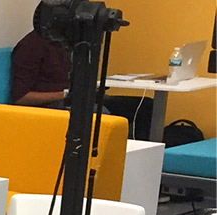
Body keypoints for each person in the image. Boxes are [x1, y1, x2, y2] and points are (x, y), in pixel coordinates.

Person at [11, 5, 150, 138]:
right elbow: (22, 98)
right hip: (51, 105)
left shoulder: (69, 43)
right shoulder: (30, 46)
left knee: (145, 106)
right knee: (102, 115)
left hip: (79, 98)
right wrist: (67, 94)